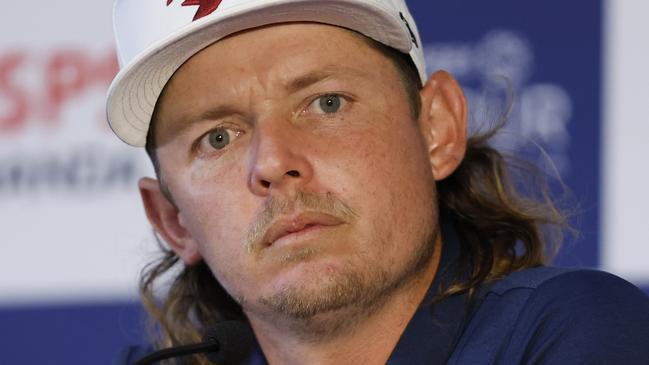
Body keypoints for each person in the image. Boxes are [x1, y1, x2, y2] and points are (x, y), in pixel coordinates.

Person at [106, 0, 649, 364]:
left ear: (437, 128)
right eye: (218, 138)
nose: (271, 162)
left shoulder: (574, 332)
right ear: (173, 221)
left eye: (326, 103)